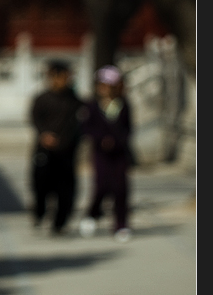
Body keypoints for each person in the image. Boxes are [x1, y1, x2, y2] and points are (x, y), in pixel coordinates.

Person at [79, 65, 134, 242]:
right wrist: (101, 139)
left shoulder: (123, 105)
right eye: (102, 84)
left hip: (119, 153)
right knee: (101, 186)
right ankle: (92, 214)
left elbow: (128, 129)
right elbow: (88, 128)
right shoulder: (93, 106)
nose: (105, 88)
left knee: (120, 189)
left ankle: (121, 224)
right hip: (100, 153)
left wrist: (117, 141)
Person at [28, 60, 84, 234]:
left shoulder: (74, 100)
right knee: (41, 185)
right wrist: (44, 134)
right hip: (44, 150)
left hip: (67, 151)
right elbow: (35, 119)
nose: (65, 80)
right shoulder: (42, 99)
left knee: (65, 189)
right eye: (61, 76)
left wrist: (70, 140)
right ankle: (40, 212)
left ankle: (60, 223)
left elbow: (79, 123)